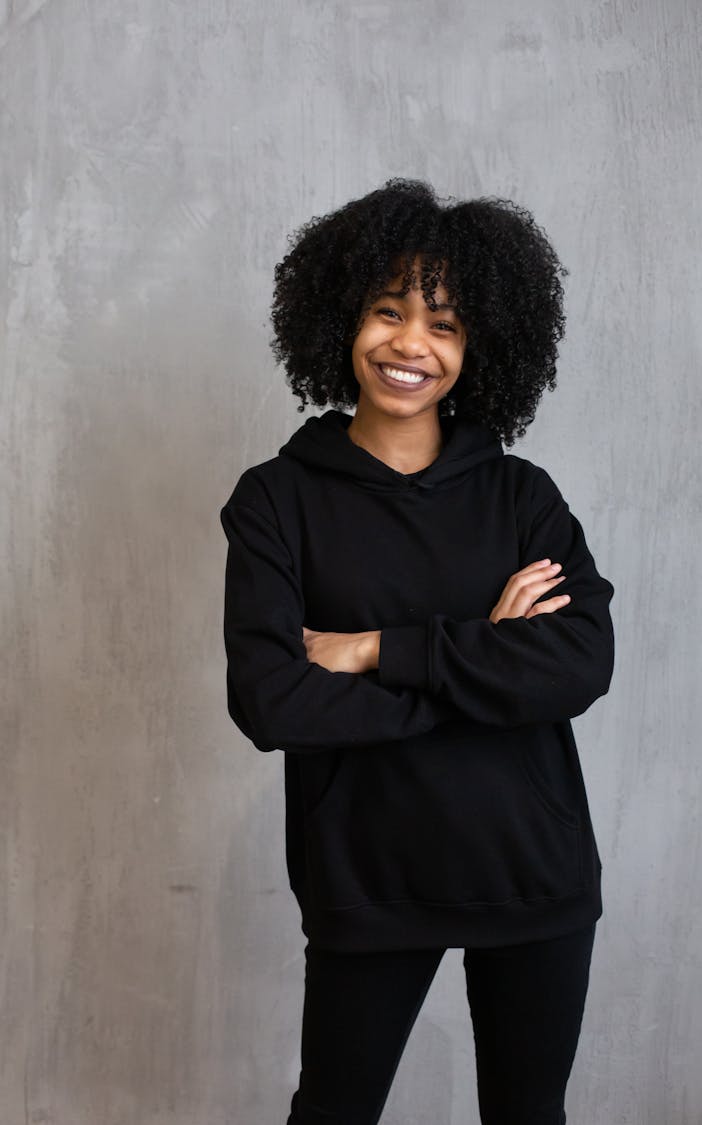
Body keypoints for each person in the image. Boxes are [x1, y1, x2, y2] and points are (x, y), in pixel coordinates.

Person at [220, 179, 614, 1125]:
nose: (411, 345)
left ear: (476, 348)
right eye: (388, 313)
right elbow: (272, 702)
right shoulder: (278, 500)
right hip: (367, 876)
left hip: (534, 875)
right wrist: (482, 658)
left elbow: (578, 663)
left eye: (442, 324)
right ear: (341, 320)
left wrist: (370, 651)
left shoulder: (521, 495)